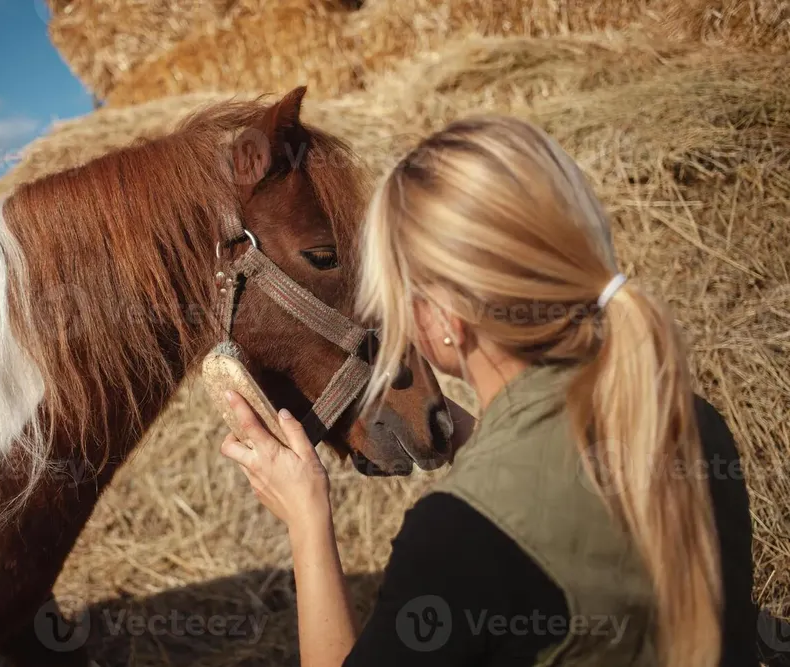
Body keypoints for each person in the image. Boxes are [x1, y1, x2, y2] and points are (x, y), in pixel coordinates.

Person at [219, 116, 756, 667]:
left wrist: (308, 521)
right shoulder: (693, 422)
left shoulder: (459, 534)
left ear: (447, 316)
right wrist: (488, 438)